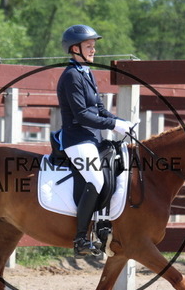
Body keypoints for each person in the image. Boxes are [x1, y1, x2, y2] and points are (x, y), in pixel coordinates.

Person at [56, 24, 132, 255]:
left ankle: (103, 224)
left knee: (115, 169)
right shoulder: (71, 76)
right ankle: (80, 238)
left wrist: (120, 121)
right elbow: (82, 115)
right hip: (77, 140)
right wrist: (113, 125)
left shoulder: (86, 73)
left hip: (92, 138)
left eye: (93, 46)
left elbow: (99, 108)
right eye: (89, 46)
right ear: (75, 49)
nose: (93, 50)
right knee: (96, 179)